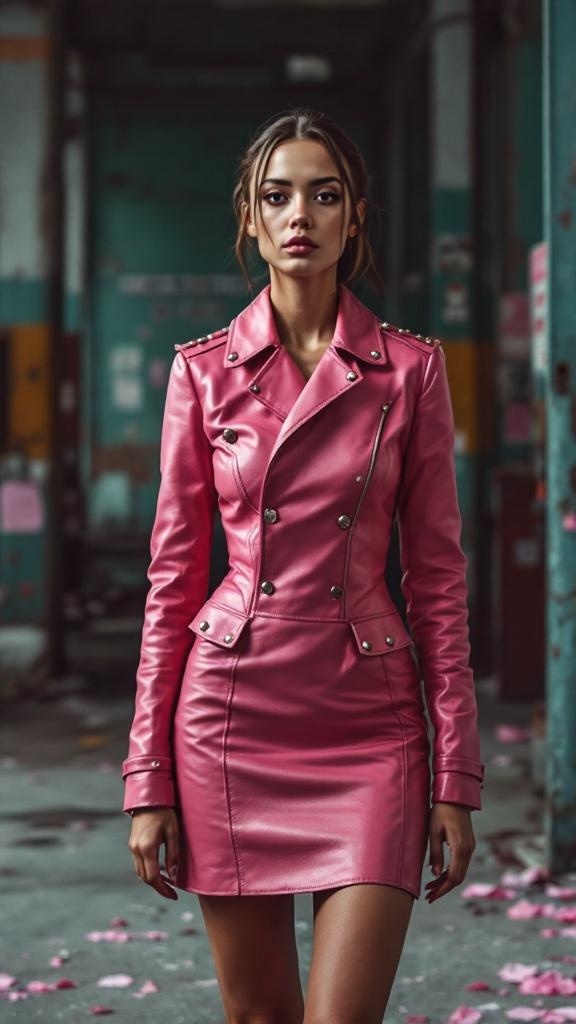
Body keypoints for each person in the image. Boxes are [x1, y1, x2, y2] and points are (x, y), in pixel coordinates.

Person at [122, 108, 485, 1024]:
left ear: (354, 217)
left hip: (370, 726)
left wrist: (457, 778)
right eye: (277, 196)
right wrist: (146, 779)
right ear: (249, 217)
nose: (301, 216)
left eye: (325, 196)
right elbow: (172, 587)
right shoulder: (201, 375)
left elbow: (437, 584)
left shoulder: (413, 373)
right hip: (230, 719)